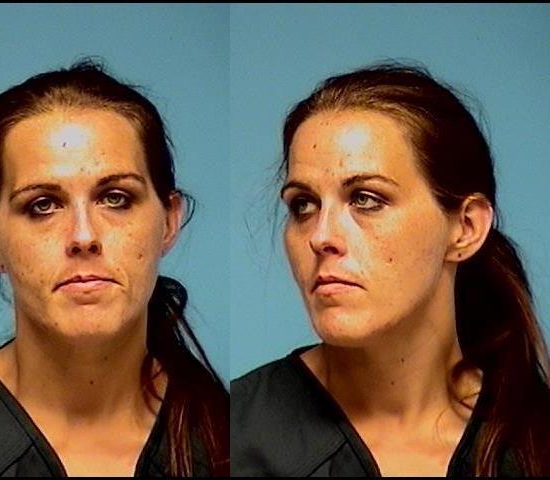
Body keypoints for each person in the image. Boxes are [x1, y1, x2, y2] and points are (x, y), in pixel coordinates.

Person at [0, 59, 228, 477]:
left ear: (168, 222)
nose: (83, 235)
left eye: (115, 198)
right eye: (43, 205)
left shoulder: (230, 441)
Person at [231, 62, 550, 476]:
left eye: (366, 199)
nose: (321, 236)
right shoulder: (236, 434)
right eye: (303, 205)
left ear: (466, 228)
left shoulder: (535, 441)